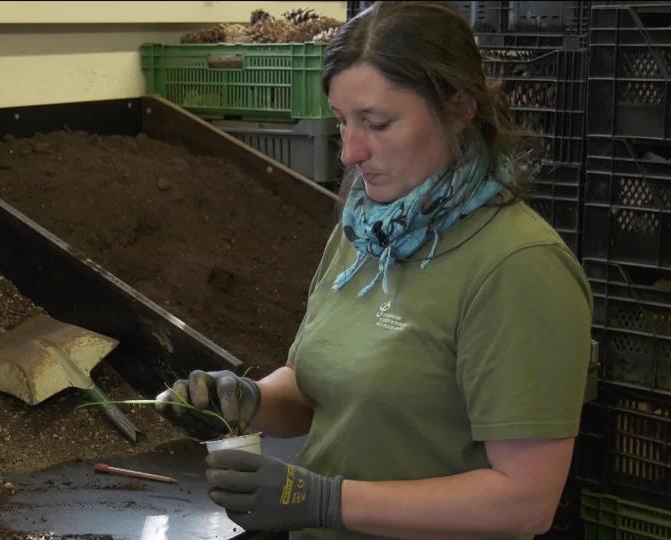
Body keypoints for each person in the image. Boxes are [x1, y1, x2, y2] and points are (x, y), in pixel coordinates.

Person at [155, 2, 592, 539]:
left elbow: (524, 502)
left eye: (377, 123)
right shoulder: (368, 230)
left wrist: (324, 501)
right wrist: (251, 400)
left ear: (458, 107)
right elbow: (320, 388)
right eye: (342, 122)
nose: (351, 152)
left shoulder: (516, 266)